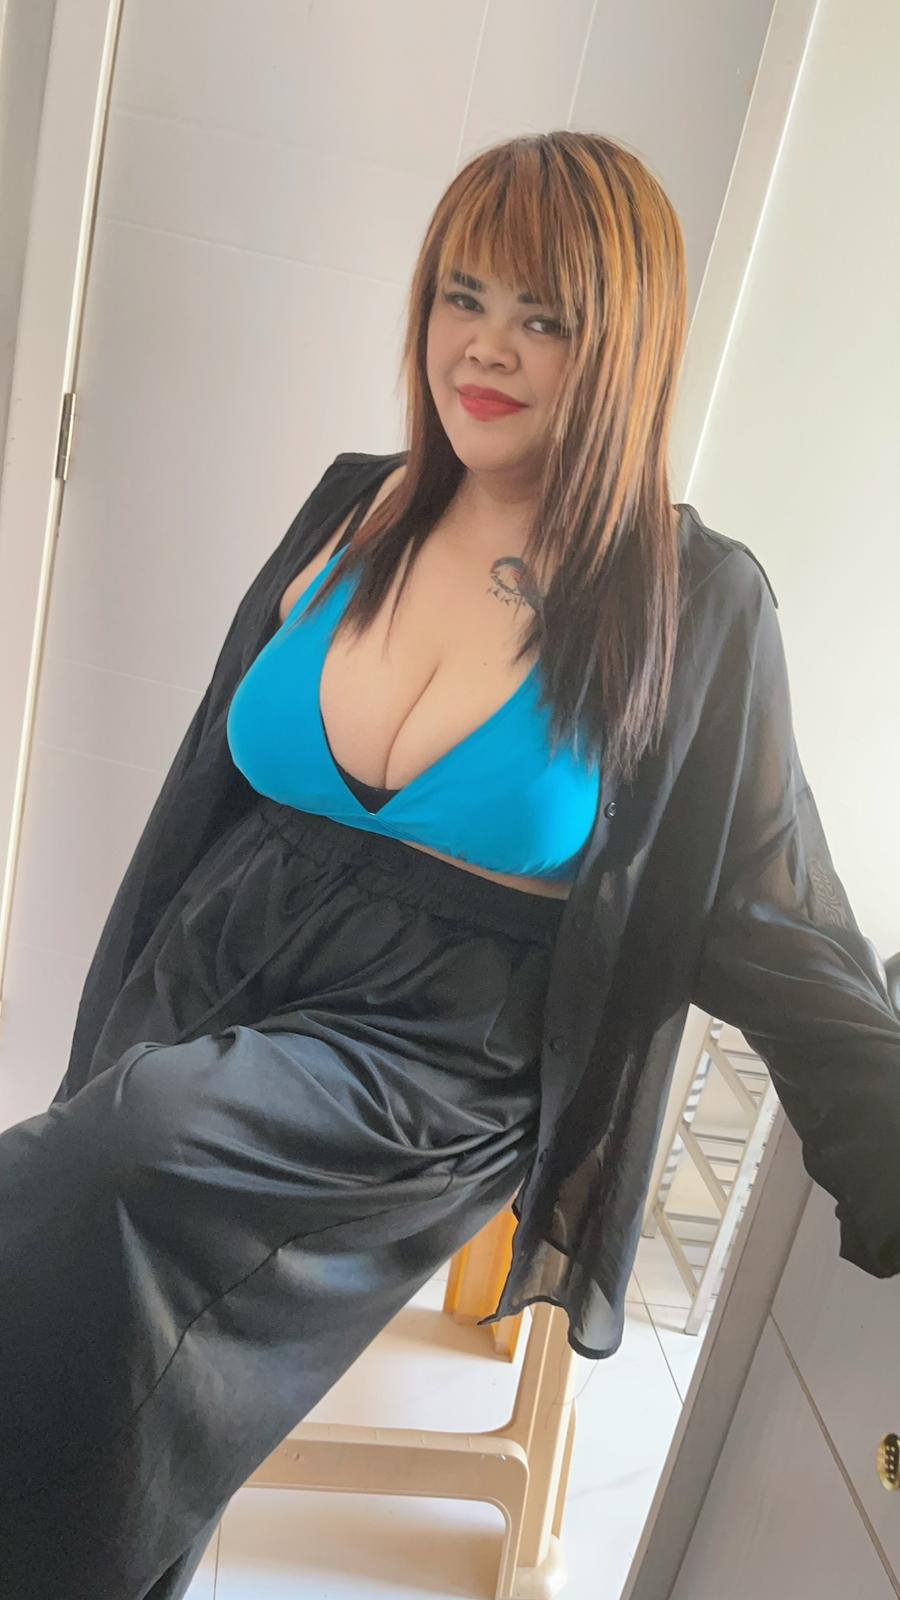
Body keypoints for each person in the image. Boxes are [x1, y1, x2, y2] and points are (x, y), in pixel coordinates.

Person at [2, 131, 898, 1599]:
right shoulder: (354, 504)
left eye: (545, 316)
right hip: (216, 961)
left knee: (111, 1169)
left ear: (623, 349)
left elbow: (774, 914)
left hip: (430, 1051)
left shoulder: (692, 600)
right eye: (461, 296)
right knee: (103, 1333)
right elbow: (205, 798)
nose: (484, 347)